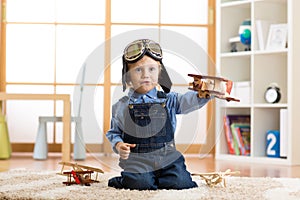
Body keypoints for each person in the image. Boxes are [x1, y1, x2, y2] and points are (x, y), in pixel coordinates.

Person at [106, 39, 213, 190]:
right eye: (138, 70)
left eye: (151, 69)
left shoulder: (169, 100)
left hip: (168, 157)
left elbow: (188, 101)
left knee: (181, 182)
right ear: (127, 76)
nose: (145, 75)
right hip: (137, 159)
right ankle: (126, 180)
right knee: (140, 184)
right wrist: (119, 144)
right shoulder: (121, 106)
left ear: (160, 73)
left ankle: (158, 178)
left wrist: (204, 94)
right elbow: (114, 132)